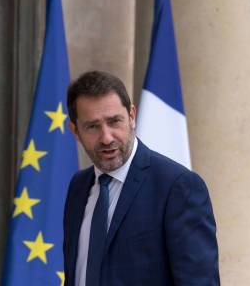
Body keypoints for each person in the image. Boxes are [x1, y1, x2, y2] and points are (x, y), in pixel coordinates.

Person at [63, 70, 220, 285]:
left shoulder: (177, 187)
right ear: (75, 131)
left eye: (114, 121)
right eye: (92, 126)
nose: (107, 137)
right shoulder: (78, 187)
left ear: (132, 116)